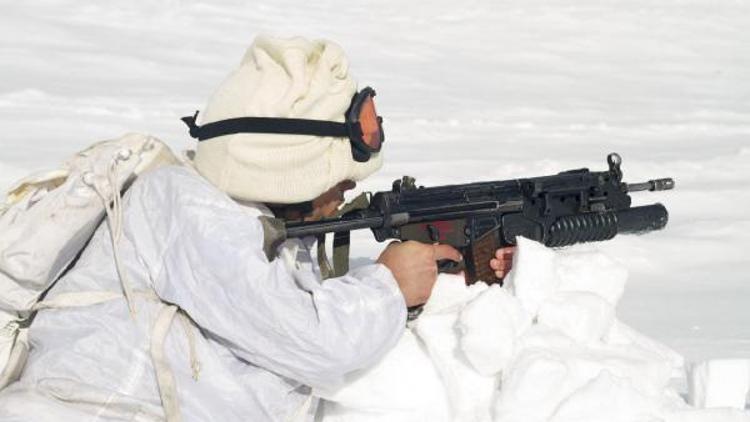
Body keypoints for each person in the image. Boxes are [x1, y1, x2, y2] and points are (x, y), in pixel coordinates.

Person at [0, 36, 513, 421]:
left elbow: (280, 309)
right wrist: (388, 284)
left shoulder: (253, 224)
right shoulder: (186, 208)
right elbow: (315, 340)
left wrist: (442, 277)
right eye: (338, 176)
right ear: (287, 166)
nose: (345, 193)